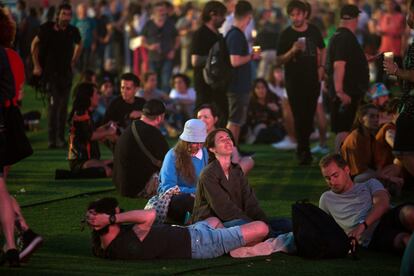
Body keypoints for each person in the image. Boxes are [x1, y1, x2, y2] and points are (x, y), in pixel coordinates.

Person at [85, 197, 269, 260]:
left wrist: (108, 219)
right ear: (110, 221)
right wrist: (112, 218)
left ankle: (231, 244)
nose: (122, 216)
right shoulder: (123, 244)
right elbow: (149, 215)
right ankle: (234, 247)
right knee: (262, 228)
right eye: (118, 214)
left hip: (193, 232)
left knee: (214, 220)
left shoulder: (110, 240)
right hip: (201, 244)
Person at [0, 7, 42, 266]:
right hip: (10, 123)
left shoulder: (6, 56)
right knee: (2, 187)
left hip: (4, 122)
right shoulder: (12, 56)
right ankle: (22, 234)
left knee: (1, 188)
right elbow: (17, 92)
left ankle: (16, 241)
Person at [319, 153, 414, 253]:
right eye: (327, 178)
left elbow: (383, 204)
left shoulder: (370, 184)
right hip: (373, 236)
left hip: (387, 216)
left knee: (410, 213)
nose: (332, 182)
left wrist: (362, 226)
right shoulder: (326, 199)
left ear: (346, 170)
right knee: (404, 239)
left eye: (335, 175)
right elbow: (325, 229)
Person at [276, 0, 325, 165]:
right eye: (292, 15)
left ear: (305, 14)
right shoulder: (286, 34)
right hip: (294, 81)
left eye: (298, 14)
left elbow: (322, 48)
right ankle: (304, 151)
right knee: (299, 116)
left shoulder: (314, 30)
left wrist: (322, 67)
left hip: (312, 80)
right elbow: (279, 59)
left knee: (309, 115)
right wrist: (293, 51)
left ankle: (302, 149)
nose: (295, 18)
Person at [191, 128, 267, 226]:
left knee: (284, 223)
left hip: (238, 219)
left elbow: (251, 202)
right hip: (214, 224)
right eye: (221, 139)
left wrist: (262, 221)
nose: (227, 141)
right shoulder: (208, 174)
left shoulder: (237, 171)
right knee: (252, 226)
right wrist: (254, 224)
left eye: (228, 138)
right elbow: (224, 209)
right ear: (212, 149)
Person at [31, 3, 82, 149]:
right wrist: (36, 65)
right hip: (50, 74)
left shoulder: (72, 31)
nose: (66, 17)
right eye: (64, 14)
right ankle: (52, 139)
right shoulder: (47, 28)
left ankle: (60, 138)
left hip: (66, 74)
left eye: (69, 15)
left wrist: (74, 61)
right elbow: (34, 44)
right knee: (54, 106)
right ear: (58, 15)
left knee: (64, 107)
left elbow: (80, 44)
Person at [325, 4, 369, 152]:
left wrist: (365, 59)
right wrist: (340, 91)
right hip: (346, 92)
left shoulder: (338, 36)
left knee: (345, 129)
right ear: (355, 19)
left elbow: (346, 61)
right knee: (344, 130)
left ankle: (343, 162)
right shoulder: (346, 38)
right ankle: (339, 162)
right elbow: (339, 65)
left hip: (346, 90)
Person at [383, 1, 414, 180]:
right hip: (408, 102)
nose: (407, 16)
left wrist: (397, 71)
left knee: (403, 151)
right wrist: (397, 71)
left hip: (412, 107)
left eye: (409, 12)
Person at [113, 99, 169, 198]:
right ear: (160, 117)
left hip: (122, 186)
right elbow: (168, 163)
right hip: (138, 189)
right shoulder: (154, 134)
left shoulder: (130, 127)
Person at [158, 119, 208, 223]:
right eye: (195, 142)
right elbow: (168, 187)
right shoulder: (172, 155)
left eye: (201, 142)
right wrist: (193, 192)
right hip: (180, 198)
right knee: (184, 201)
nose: (199, 146)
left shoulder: (206, 154)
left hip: (202, 195)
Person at [225, 1, 259, 146]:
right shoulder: (236, 35)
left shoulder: (237, 34)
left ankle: (235, 150)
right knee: (234, 121)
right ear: (248, 17)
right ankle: (229, 151)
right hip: (236, 86)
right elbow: (234, 60)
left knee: (238, 121)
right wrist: (251, 56)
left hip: (240, 85)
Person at [191, 0, 228, 128]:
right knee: (201, 113)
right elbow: (195, 60)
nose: (224, 19)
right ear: (213, 15)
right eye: (222, 15)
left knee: (220, 112)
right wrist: (213, 58)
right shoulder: (200, 34)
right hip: (203, 82)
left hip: (218, 83)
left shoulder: (218, 35)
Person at [68, 82, 116, 177]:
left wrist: (105, 127)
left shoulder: (87, 113)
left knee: (116, 165)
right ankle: (74, 173)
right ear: (89, 97)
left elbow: (92, 132)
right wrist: (108, 131)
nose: (99, 96)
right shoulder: (81, 114)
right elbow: (90, 136)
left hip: (89, 159)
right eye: (97, 93)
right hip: (81, 161)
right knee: (108, 171)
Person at [196, 104, 254, 174]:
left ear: (215, 119)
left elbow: (235, 154)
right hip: (207, 170)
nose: (202, 120)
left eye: (206, 117)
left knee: (248, 161)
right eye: (199, 117)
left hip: (225, 168)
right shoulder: (194, 136)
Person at [141, 1, 179, 93]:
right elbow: (142, 40)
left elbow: (177, 39)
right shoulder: (148, 24)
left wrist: (173, 50)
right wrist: (149, 47)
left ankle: (165, 103)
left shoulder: (170, 24)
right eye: (159, 10)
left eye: (163, 10)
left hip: (167, 57)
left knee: (166, 81)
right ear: (154, 11)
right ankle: (154, 102)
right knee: (153, 81)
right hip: (153, 57)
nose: (161, 12)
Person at [245, 78, 284, 144]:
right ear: (254, 90)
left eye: (263, 87)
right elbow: (248, 121)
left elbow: (281, 117)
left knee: (279, 132)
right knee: (265, 132)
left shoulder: (273, 98)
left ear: (266, 89)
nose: (261, 90)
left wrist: (276, 110)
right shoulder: (251, 103)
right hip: (258, 129)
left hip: (273, 127)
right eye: (258, 88)